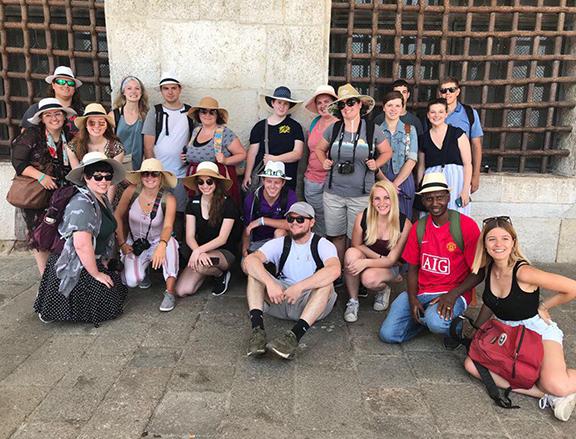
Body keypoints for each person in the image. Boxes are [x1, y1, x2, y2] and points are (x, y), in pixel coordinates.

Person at [464, 216, 576, 422]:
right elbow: (490, 302)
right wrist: (477, 329)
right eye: (492, 239)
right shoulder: (489, 268)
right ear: (484, 244)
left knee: (557, 384)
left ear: (514, 242)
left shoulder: (524, 272)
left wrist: (543, 306)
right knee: (472, 365)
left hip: (536, 332)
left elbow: (572, 288)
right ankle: (544, 395)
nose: (499, 244)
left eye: (505, 238)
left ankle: (552, 389)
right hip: (506, 333)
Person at [379, 172, 480, 344]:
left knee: (436, 322)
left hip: (453, 292)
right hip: (422, 292)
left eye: (440, 197)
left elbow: (480, 271)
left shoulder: (466, 226)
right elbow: (412, 268)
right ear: (423, 201)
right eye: (429, 199)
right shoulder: (419, 227)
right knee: (388, 335)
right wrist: (412, 298)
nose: (435, 204)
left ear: (448, 197)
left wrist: (452, 295)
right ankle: (426, 319)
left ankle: (456, 327)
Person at [33, 152, 127, 325]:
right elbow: (82, 244)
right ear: (86, 177)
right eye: (97, 176)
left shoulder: (101, 197)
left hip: (92, 257)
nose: (103, 181)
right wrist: (96, 273)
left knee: (116, 292)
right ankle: (54, 304)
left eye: (108, 176)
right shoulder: (81, 203)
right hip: (73, 262)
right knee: (107, 304)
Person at [244, 202, 341, 360]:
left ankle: (294, 336)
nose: (294, 223)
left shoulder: (323, 244)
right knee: (255, 274)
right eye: (290, 219)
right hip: (282, 297)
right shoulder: (280, 243)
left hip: (310, 303)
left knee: (326, 284)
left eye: (300, 219)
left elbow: (334, 270)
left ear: (312, 222)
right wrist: (270, 283)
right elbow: (250, 261)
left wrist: (300, 287)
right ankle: (257, 332)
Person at [315, 83, 393, 270]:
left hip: (361, 195)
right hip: (333, 193)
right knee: (336, 236)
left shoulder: (372, 130)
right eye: (342, 105)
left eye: (351, 103)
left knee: (356, 238)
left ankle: (354, 272)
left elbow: (387, 152)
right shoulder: (333, 129)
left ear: (359, 105)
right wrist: (323, 160)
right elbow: (319, 148)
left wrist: (377, 164)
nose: (347, 108)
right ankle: (338, 272)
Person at [10, 98, 77, 274]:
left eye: (57, 114)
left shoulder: (69, 136)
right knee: (40, 237)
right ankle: (44, 278)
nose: (54, 118)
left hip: (62, 195)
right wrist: (41, 177)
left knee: (58, 235)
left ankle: (58, 275)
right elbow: (18, 162)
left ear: (63, 116)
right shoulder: (32, 135)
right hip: (38, 196)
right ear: (42, 118)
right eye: (48, 115)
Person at [114, 159, 179, 312]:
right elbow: (117, 216)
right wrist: (122, 243)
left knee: (171, 245)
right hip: (136, 243)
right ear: (141, 176)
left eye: (154, 174)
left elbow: (168, 225)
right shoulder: (131, 191)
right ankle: (144, 271)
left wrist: (162, 245)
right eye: (145, 174)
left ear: (161, 177)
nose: (150, 177)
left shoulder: (168, 199)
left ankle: (170, 292)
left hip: (158, 240)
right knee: (131, 280)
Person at [343, 180, 412, 323]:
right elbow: (356, 244)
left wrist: (366, 263)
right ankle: (353, 301)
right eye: (377, 198)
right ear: (372, 201)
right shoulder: (363, 217)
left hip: (391, 265)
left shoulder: (404, 223)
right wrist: (374, 259)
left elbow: (392, 260)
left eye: (387, 198)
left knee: (368, 279)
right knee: (350, 254)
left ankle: (383, 289)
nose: (382, 203)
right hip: (376, 258)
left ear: (393, 199)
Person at [174, 162, 241, 303]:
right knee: (182, 290)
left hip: (224, 252)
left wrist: (198, 252)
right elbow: (190, 236)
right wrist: (199, 251)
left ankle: (220, 274)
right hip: (202, 253)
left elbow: (222, 239)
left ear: (216, 182)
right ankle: (208, 272)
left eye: (209, 181)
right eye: (200, 182)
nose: (205, 186)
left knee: (200, 265)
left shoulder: (228, 204)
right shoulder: (193, 204)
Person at [142, 74, 194, 241]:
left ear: (180, 89)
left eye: (173, 88)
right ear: (161, 91)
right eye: (166, 88)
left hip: (181, 174)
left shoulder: (191, 112)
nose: (170, 92)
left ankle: (176, 248)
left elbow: (198, 138)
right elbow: (148, 145)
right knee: (157, 212)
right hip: (160, 175)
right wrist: (153, 173)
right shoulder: (155, 112)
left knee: (179, 214)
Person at [183, 96, 246, 204]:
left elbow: (242, 154)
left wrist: (226, 161)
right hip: (198, 183)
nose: (207, 115)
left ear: (217, 115)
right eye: (203, 112)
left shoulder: (224, 133)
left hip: (217, 184)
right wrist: (187, 156)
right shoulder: (196, 130)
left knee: (218, 212)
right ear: (198, 114)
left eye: (212, 112)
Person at [242, 86, 304, 191]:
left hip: (287, 179)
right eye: (279, 102)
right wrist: (247, 175)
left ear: (289, 106)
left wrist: (274, 159)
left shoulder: (295, 127)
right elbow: (252, 153)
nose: (282, 106)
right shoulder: (260, 126)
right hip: (264, 179)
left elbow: (297, 154)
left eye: (285, 104)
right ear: (272, 103)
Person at [417, 98, 472, 215]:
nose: (437, 115)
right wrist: (420, 188)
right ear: (428, 115)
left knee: (457, 216)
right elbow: (421, 166)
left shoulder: (458, 133)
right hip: (432, 180)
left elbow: (468, 164)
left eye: (441, 112)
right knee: (432, 215)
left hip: (456, 180)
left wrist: (465, 190)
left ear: (446, 114)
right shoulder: (423, 138)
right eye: (433, 112)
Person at [67, 103, 125, 201]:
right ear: (85, 125)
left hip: (109, 193)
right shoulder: (73, 147)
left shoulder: (117, 148)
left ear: (107, 125)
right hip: (85, 193)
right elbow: (79, 179)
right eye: (92, 123)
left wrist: (107, 206)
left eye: (101, 123)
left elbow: (112, 182)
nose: (97, 126)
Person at [376, 91, 418, 218]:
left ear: (402, 108)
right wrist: (387, 183)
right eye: (389, 105)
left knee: (404, 219)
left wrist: (395, 184)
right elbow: (372, 161)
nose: (393, 109)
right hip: (382, 178)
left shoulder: (410, 130)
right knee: (382, 218)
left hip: (404, 179)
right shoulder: (376, 130)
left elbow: (412, 159)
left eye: (397, 106)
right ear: (383, 107)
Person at [241, 161, 297, 258]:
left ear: (283, 183)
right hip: (257, 242)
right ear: (263, 181)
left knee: (280, 232)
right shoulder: (252, 199)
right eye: (269, 181)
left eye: (277, 182)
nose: (272, 186)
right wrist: (245, 250)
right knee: (245, 266)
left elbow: (293, 224)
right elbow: (247, 228)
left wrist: (262, 221)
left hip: (280, 242)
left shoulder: (290, 196)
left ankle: (278, 265)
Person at [303, 85, 338, 236]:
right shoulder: (314, 123)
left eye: (327, 101)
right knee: (314, 218)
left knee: (331, 220)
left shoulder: (340, 123)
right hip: (312, 180)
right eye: (319, 103)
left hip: (333, 180)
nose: (323, 106)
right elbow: (308, 151)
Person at [439, 77, 483, 194]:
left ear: (458, 91)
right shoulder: (434, 113)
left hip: (461, 170)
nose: (447, 93)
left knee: (458, 207)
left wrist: (476, 175)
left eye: (451, 90)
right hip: (437, 170)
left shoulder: (469, 113)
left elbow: (476, 145)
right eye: (444, 90)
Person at [20, 66, 84, 135]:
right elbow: (25, 136)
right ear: (53, 85)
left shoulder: (81, 111)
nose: (66, 85)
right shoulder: (36, 109)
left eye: (70, 83)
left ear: (74, 88)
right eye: (61, 82)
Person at [109, 75, 149, 171]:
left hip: (140, 166)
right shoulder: (114, 115)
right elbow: (108, 143)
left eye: (137, 88)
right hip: (119, 165)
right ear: (123, 92)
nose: (133, 92)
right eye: (129, 88)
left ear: (141, 92)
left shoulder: (145, 116)